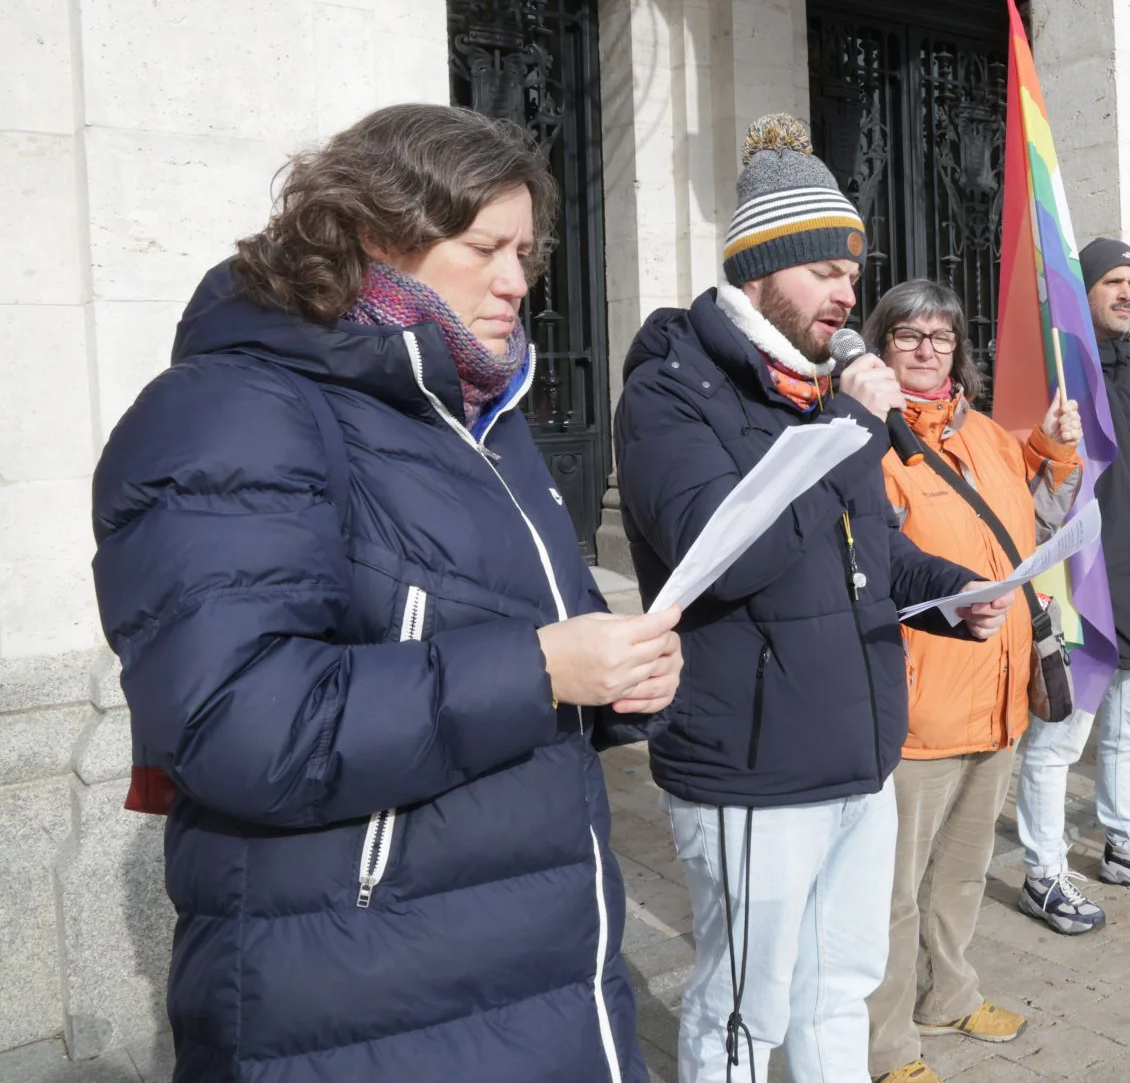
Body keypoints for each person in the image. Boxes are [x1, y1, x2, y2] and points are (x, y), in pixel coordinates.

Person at [90, 104, 685, 1082]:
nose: (516, 279)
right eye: (484, 245)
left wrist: (613, 677)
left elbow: (522, 633)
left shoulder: (482, 419)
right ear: (375, 231)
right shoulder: (232, 409)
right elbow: (237, 724)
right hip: (359, 998)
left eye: (527, 252)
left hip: (539, 967)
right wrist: (540, 667)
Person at [615, 115, 1014, 1083]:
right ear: (761, 270)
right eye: (827, 270)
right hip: (754, 761)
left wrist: (948, 588)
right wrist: (850, 426)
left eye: (851, 270)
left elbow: (867, 544)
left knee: (842, 982)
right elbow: (730, 555)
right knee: (750, 1002)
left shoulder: (816, 388)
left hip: (860, 748)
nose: (849, 292)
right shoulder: (675, 390)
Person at [860, 280, 1083, 1083]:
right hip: (921, 707)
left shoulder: (987, 435)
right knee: (893, 892)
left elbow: (1037, 510)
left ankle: (949, 995)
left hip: (998, 698)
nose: (926, 351)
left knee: (958, 874)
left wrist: (1054, 449)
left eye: (941, 338)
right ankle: (887, 1047)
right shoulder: (869, 446)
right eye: (908, 337)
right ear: (880, 346)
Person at [1015, 237, 1130, 934]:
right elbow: (1029, 476)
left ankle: (1125, 842)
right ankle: (1044, 872)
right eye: (1111, 282)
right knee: (1058, 742)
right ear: (1085, 290)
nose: (1125, 293)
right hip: (1085, 590)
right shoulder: (1058, 379)